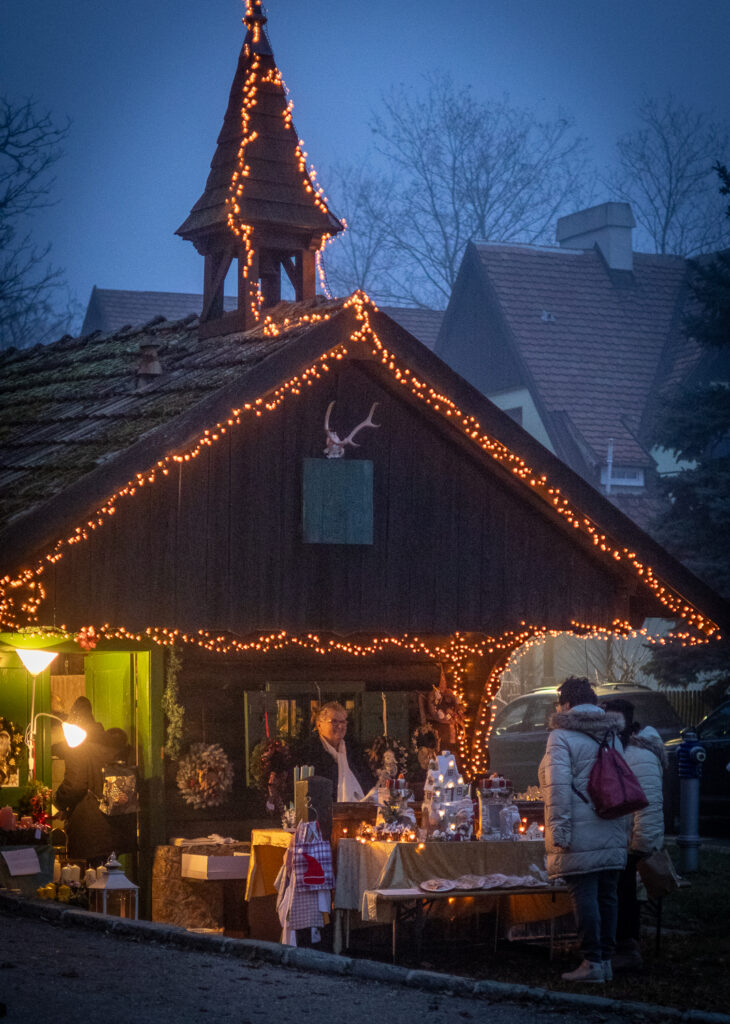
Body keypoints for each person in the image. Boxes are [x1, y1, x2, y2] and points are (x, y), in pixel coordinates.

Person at [538, 676, 628, 983]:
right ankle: (605, 962)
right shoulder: (612, 733)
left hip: (580, 827)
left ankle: (591, 963)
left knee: (585, 893)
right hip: (612, 822)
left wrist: (559, 832)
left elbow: (558, 789)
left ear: (565, 704)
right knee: (608, 895)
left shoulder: (560, 736)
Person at [602, 697, 667, 972]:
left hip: (636, 839)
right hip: (650, 836)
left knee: (618, 882)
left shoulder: (626, 753)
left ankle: (624, 946)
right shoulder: (647, 748)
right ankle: (624, 943)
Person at [54, 703, 136, 864]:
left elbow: (75, 785)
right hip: (117, 824)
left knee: (91, 879)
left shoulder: (77, 744)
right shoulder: (114, 744)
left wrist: (58, 801)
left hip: (91, 829)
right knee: (110, 878)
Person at [299, 701, 371, 801]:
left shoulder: (353, 750)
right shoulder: (308, 752)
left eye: (343, 722)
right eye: (334, 722)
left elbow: (367, 781)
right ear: (319, 725)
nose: (340, 726)